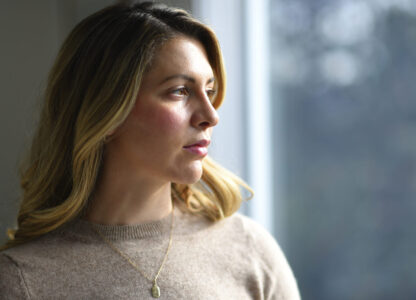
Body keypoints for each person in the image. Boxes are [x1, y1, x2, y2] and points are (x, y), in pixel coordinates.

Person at [0, 2, 300, 299]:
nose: (211, 115)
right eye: (180, 91)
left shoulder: (249, 249)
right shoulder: (22, 280)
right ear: (107, 112)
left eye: (209, 91)